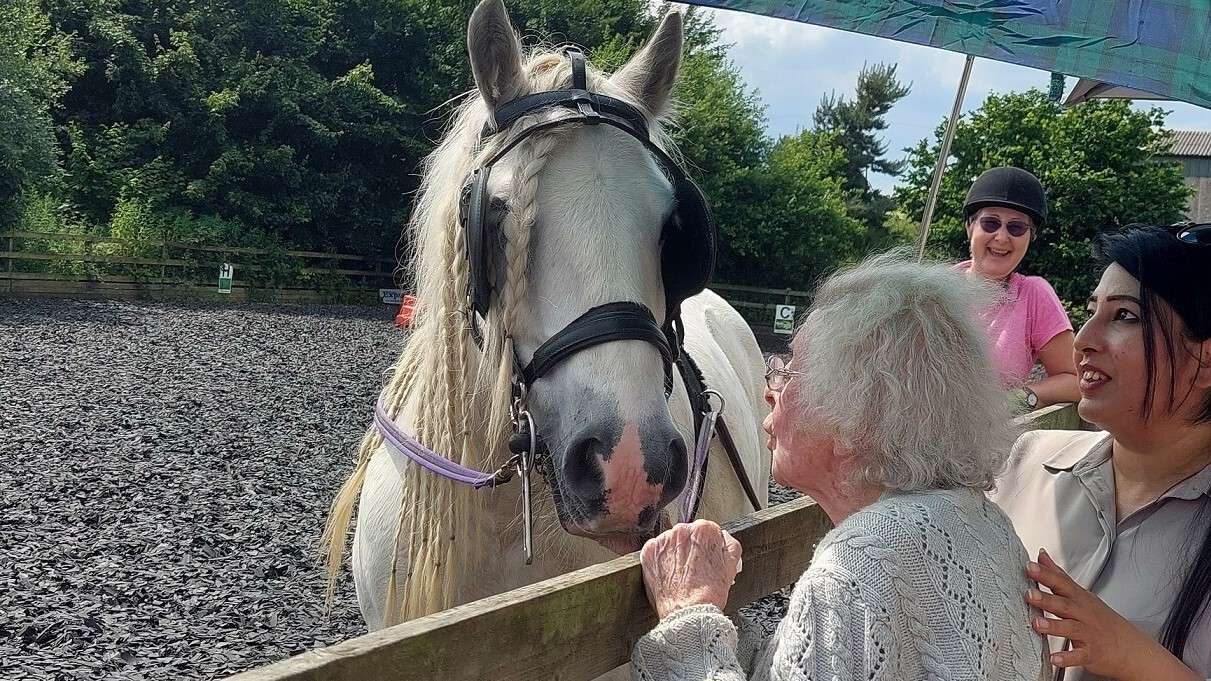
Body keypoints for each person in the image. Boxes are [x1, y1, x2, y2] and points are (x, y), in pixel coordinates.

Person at [630, 252, 1049, 681]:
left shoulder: (857, 567)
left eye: (789, 372)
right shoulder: (987, 524)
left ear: (855, 413)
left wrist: (687, 621)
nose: (770, 390)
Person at [990, 224, 1211, 681]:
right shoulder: (1026, 461)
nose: (1083, 339)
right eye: (1091, 312)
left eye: (1125, 316)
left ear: (1205, 360)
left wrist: (1134, 657)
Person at [956, 166, 1079, 411]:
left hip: (988, 441)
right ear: (970, 226)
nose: (1001, 237)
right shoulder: (930, 290)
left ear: (1030, 237)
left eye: (1016, 228)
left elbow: (1075, 380)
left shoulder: (1033, 295)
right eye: (990, 223)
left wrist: (1020, 398)